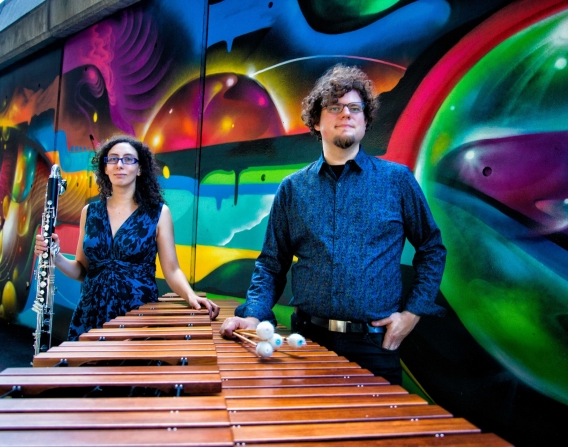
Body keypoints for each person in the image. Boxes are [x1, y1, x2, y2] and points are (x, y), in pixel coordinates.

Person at [219, 64, 446, 384]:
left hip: (375, 345)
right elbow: (272, 264)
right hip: (307, 342)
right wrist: (254, 312)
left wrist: (412, 314)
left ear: (366, 121)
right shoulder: (292, 188)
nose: (347, 114)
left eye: (356, 108)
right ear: (316, 120)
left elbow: (432, 249)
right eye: (335, 107)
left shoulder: (397, 181)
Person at [34, 135, 219, 340]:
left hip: (137, 316)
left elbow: (172, 269)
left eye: (128, 159)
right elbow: (82, 270)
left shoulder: (158, 213)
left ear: (139, 169)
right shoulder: (90, 212)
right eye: (113, 159)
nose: (119, 164)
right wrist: (56, 256)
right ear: (105, 168)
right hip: (90, 316)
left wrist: (191, 296)